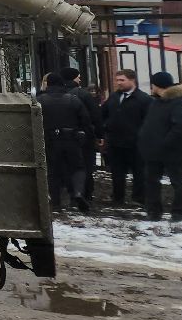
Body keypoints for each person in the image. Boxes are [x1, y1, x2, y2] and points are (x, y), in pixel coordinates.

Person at [136, 71, 182, 222]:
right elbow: (150, 125)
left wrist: (164, 143)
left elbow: (181, 128)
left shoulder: (180, 103)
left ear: (156, 85)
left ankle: (179, 213)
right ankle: (154, 212)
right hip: (153, 152)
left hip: (173, 152)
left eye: (152, 84)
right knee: (151, 181)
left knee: (178, 182)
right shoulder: (156, 102)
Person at [38, 72, 95, 213]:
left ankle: (56, 201)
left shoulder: (40, 101)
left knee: (53, 171)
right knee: (77, 168)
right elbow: (86, 121)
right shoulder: (73, 100)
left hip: (49, 140)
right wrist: (86, 136)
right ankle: (77, 193)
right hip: (71, 139)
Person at [99, 69, 150, 207]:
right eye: (117, 80)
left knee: (139, 172)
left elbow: (149, 121)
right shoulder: (115, 97)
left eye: (122, 80)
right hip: (115, 142)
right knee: (117, 172)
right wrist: (105, 128)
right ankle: (117, 197)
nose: (118, 83)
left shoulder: (143, 99)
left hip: (136, 144)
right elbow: (103, 114)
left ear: (132, 80)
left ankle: (138, 198)